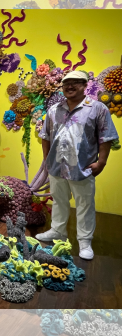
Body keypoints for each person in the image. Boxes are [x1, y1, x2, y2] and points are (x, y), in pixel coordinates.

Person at [36, 70, 118, 260]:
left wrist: (102, 162)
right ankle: (57, 231)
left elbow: (106, 137)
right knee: (59, 200)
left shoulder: (97, 109)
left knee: (84, 204)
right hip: (56, 166)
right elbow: (45, 136)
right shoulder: (54, 110)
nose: (70, 86)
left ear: (85, 85)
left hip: (83, 167)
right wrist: (47, 160)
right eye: (66, 83)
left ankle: (84, 241)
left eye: (75, 82)